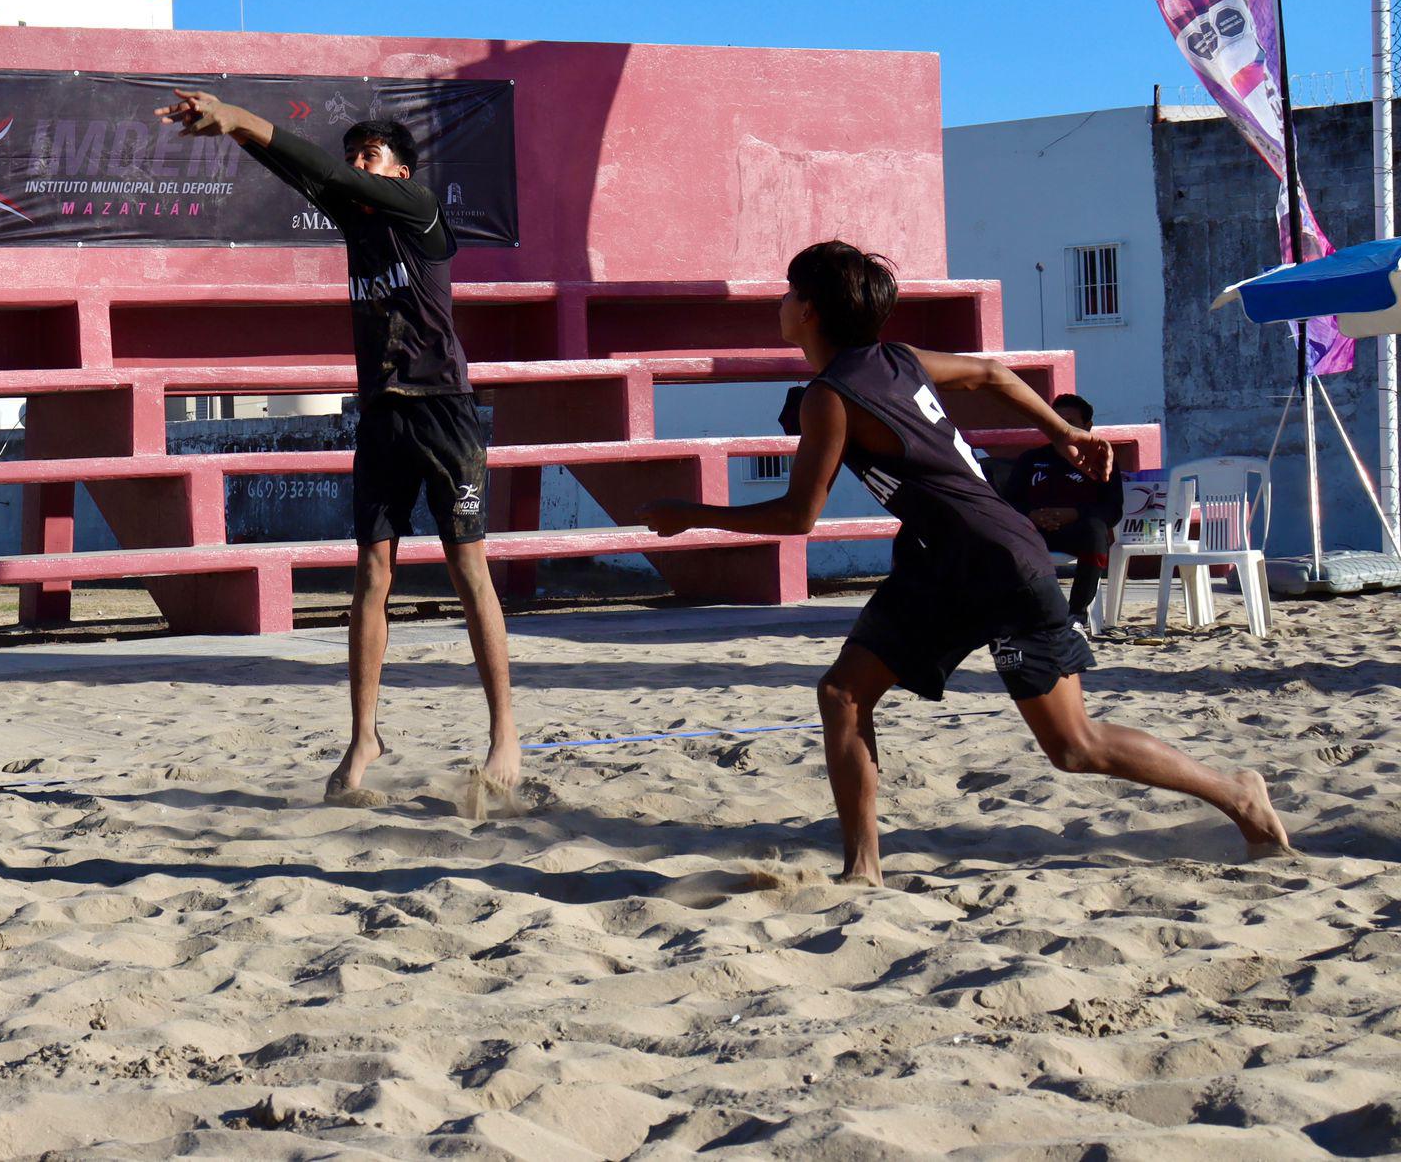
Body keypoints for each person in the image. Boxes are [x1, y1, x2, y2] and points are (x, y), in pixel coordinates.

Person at [639, 240, 1289, 884]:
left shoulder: (830, 396)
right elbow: (992, 375)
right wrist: (1064, 434)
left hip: (999, 563)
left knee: (1073, 746)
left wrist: (693, 513)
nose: (780, 301)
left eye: (789, 292)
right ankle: (862, 870)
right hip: (938, 563)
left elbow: (797, 518)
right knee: (842, 694)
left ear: (810, 310)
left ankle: (1237, 792)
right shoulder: (895, 360)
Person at [155, 90, 520, 794]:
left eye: (370, 156)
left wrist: (237, 113)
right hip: (383, 416)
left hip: (444, 412)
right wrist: (231, 132)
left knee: (470, 573)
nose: (356, 164)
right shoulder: (358, 227)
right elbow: (303, 172)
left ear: (401, 173)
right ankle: (363, 742)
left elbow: (324, 172)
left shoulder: (420, 212)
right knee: (371, 579)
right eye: (353, 153)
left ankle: (504, 734)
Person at [1003, 392, 1124, 632]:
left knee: (1096, 531)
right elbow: (1007, 503)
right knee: (1002, 533)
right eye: (1056, 421)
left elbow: (1112, 510)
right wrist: (1032, 514)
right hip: (1034, 530)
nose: (1061, 428)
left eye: (1070, 422)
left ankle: (1075, 616)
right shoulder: (1031, 459)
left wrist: (1075, 514)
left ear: (1087, 426)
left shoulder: (1101, 462)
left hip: (1076, 532)